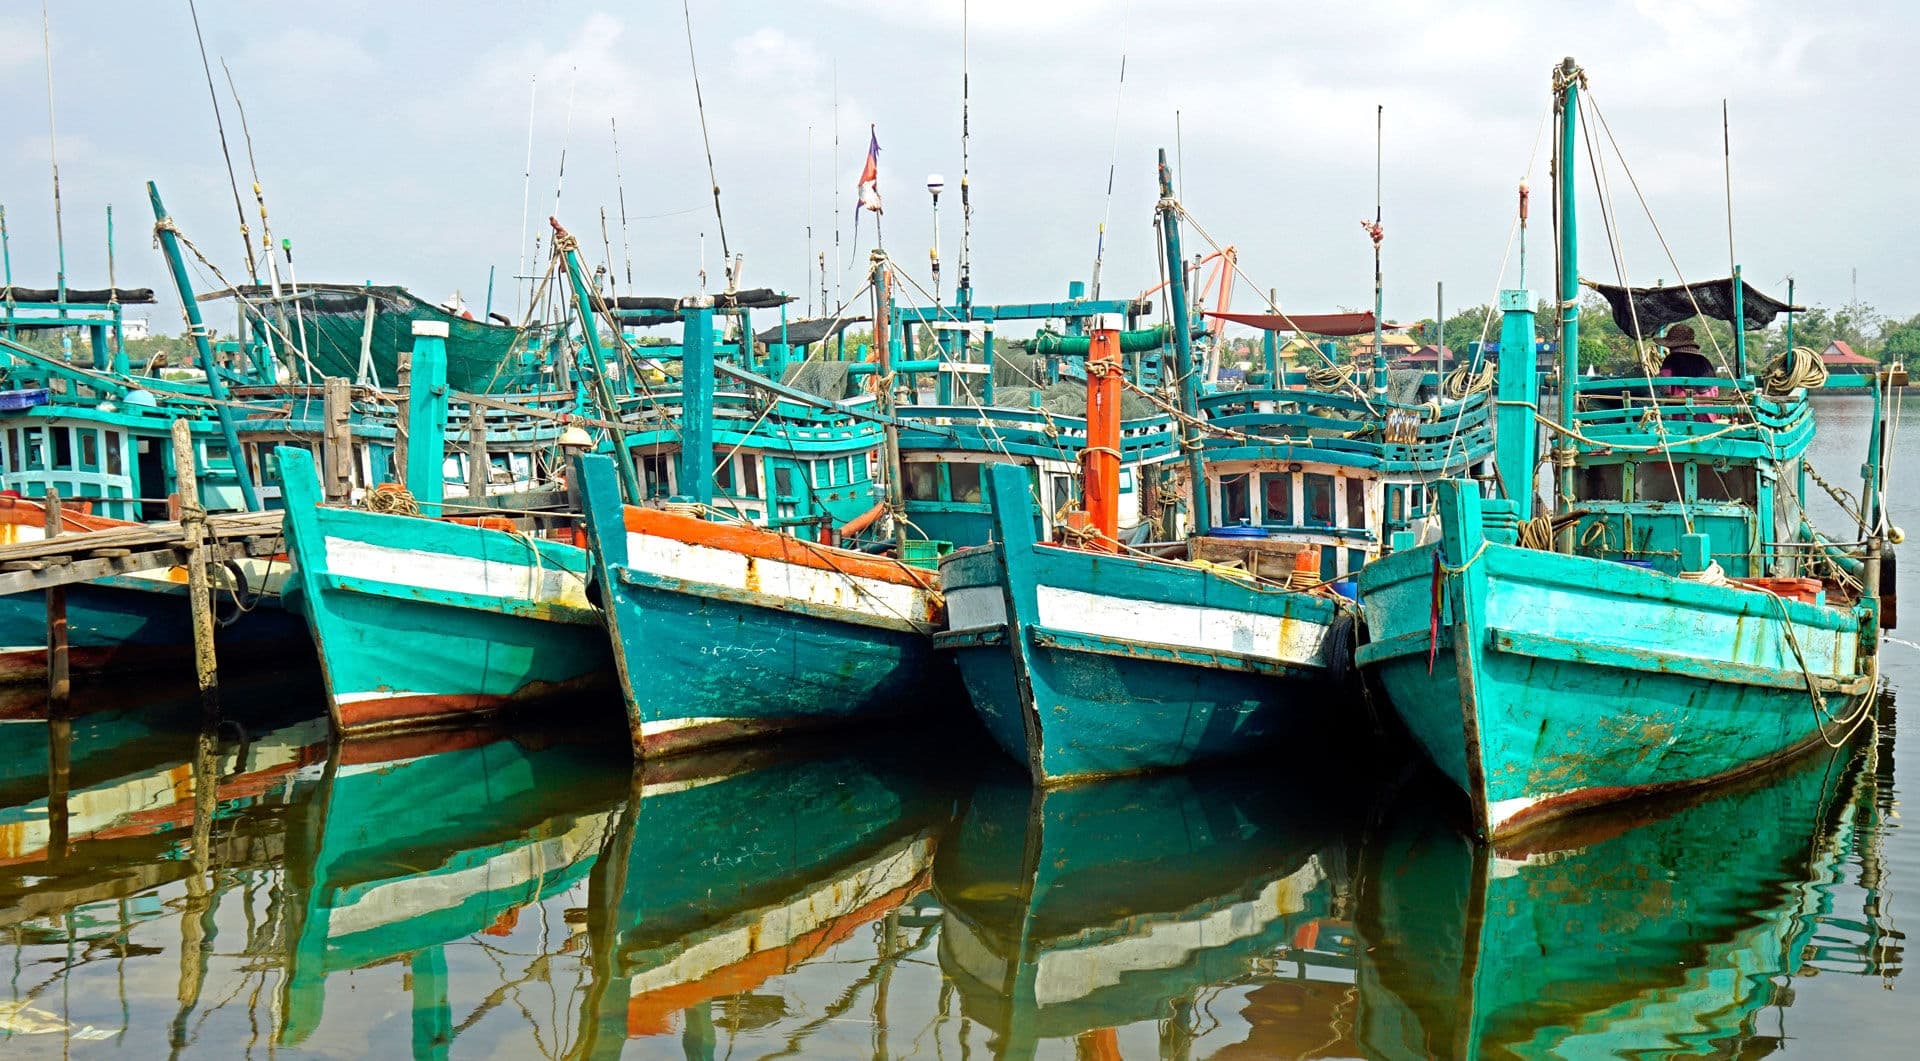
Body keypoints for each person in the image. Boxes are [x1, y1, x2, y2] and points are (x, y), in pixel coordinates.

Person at [1654, 323, 1720, 418]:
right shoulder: (1705, 361)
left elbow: (1664, 386)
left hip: (1682, 414)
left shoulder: (1671, 359)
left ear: (1671, 346)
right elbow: (1715, 391)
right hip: (1708, 414)